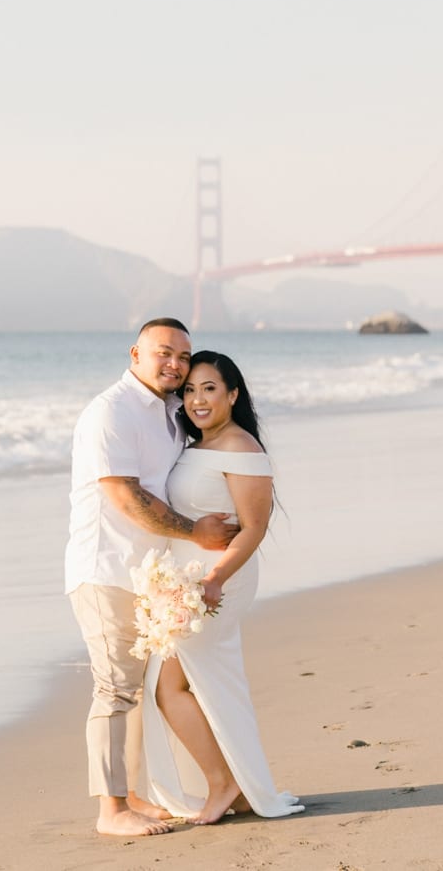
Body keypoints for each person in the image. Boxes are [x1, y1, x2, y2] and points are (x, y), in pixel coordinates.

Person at [66, 317, 237, 837]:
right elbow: (123, 493)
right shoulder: (110, 411)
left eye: (183, 357)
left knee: (136, 692)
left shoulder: (167, 412)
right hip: (107, 568)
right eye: (163, 353)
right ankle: (110, 811)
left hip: (145, 577)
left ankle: (134, 795)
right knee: (115, 689)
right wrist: (195, 533)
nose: (174, 364)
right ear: (134, 354)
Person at [139, 350, 304, 823]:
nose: (197, 399)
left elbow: (253, 527)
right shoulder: (197, 446)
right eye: (189, 390)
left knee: (170, 688)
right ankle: (234, 781)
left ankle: (222, 782)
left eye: (209, 388)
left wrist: (214, 578)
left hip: (215, 583)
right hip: (188, 582)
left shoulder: (242, 448)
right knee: (198, 685)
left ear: (233, 394)